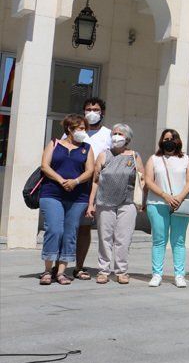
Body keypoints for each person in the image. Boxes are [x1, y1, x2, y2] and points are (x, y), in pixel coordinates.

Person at [38, 114, 95, 285]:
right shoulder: (54, 143)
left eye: (85, 128)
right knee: (54, 229)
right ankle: (47, 270)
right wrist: (60, 180)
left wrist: (76, 181)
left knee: (70, 233)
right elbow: (44, 166)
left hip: (78, 197)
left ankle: (62, 272)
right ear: (69, 129)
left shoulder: (87, 148)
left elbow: (90, 171)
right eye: (80, 128)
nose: (83, 131)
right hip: (52, 193)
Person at [86, 123, 143, 285]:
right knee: (105, 237)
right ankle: (103, 270)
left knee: (123, 238)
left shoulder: (134, 156)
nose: (116, 136)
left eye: (120, 134)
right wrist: (91, 203)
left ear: (127, 138)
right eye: (114, 133)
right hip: (105, 201)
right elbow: (95, 181)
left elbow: (142, 179)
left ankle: (121, 271)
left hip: (128, 202)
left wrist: (141, 202)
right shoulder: (104, 155)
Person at [144, 129, 189, 288]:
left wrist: (179, 197)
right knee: (159, 240)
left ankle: (179, 275)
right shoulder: (154, 159)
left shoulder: (185, 159)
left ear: (178, 141)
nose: (169, 141)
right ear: (161, 141)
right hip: (157, 204)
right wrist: (165, 196)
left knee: (178, 241)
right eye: (166, 138)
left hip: (180, 204)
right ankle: (156, 274)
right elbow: (148, 180)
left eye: (172, 139)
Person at [70, 98, 112, 281]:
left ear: (102, 112)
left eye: (96, 109)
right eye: (88, 109)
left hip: (97, 186)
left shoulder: (110, 134)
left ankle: (79, 266)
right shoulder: (76, 132)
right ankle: (58, 265)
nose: (92, 112)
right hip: (73, 184)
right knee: (67, 226)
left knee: (85, 227)